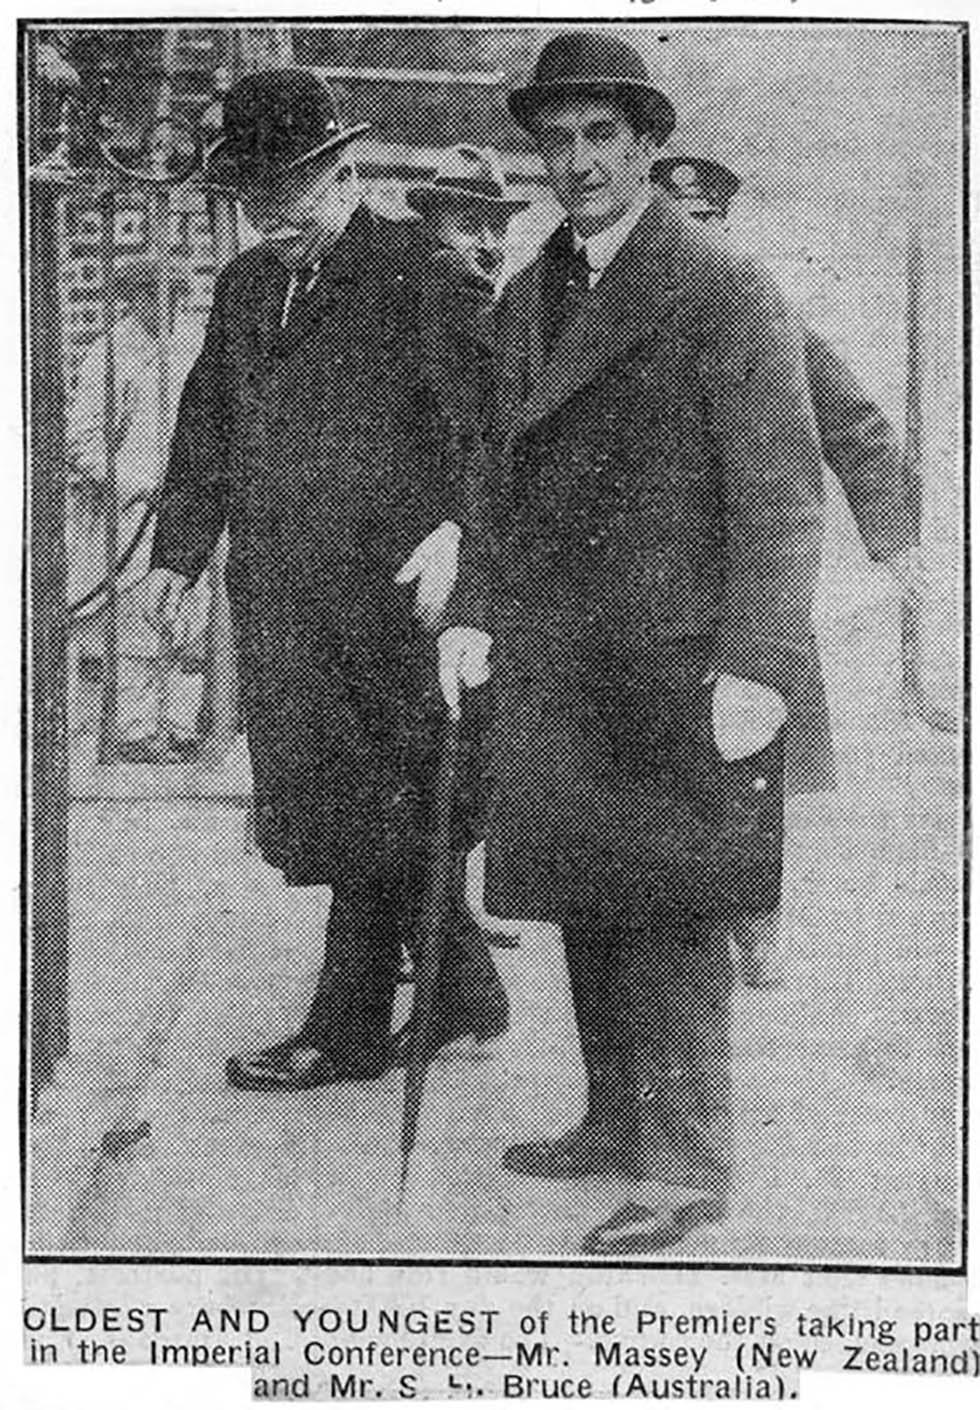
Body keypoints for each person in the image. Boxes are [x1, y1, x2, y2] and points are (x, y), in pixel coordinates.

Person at [438, 31, 828, 1253]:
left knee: (672, 918)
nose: (576, 162)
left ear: (648, 146)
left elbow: (779, 490)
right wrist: (469, 613)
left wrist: (757, 665)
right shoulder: (533, 290)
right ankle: (614, 1121)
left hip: (676, 656)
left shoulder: (718, 284)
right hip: (559, 654)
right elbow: (492, 476)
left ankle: (684, 1163)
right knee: (591, 902)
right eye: (555, 140)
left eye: (600, 136)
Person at [144, 69, 509, 1090]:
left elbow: (496, 434)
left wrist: (458, 537)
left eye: (288, 197)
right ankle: (468, 994)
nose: (270, 222)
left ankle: (342, 1032)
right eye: (251, 202)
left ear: (344, 172)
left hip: (396, 607)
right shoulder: (247, 288)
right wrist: (177, 554)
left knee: (370, 814)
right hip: (285, 607)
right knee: (356, 812)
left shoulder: (419, 277)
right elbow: (208, 423)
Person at [650, 154, 921, 987]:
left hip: (747, 578)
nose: (691, 241)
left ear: (724, 229)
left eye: (706, 225)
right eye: (676, 225)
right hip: (649, 585)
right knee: (660, 767)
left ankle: (753, 918)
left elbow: (856, 423)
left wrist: (893, 538)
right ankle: (683, 919)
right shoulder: (614, 318)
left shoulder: (759, 314)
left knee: (751, 760)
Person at [66, 260, 207, 757]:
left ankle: (183, 725)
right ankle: (136, 729)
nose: (162, 304)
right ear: (133, 298)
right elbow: (81, 441)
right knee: (135, 627)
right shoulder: (111, 351)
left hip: (190, 503)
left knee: (190, 619)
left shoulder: (193, 343)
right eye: (150, 294)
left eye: (171, 293)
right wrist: (137, 483)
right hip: (130, 514)